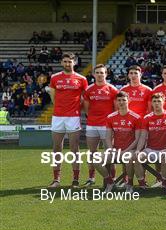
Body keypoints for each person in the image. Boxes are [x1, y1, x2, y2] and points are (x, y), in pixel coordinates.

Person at [48, 53, 89, 188]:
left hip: (73, 117)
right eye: (65, 61)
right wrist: (61, 108)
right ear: (61, 63)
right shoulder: (54, 78)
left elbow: (85, 98)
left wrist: (77, 109)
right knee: (56, 148)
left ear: (74, 62)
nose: (67, 64)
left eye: (70, 62)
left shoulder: (81, 79)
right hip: (58, 117)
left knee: (74, 149)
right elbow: (53, 98)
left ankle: (75, 179)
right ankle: (56, 179)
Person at [82, 64, 119, 187]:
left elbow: (116, 109)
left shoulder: (112, 89)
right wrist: (92, 118)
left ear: (106, 74)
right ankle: (91, 177)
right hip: (92, 124)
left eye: (102, 73)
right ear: (93, 74)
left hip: (106, 126)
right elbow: (86, 109)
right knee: (92, 152)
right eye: (97, 72)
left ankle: (112, 178)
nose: (99, 75)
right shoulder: (89, 89)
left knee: (110, 152)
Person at [136, 93, 166, 195]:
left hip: (165, 149)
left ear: (164, 102)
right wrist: (138, 150)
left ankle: (164, 182)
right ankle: (142, 184)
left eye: (159, 101)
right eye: (154, 101)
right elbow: (142, 137)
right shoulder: (147, 118)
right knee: (135, 157)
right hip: (150, 149)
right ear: (151, 103)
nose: (156, 103)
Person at [103, 91, 142, 194]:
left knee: (129, 158)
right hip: (116, 150)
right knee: (95, 159)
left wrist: (126, 150)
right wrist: (111, 150)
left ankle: (129, 184)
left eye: (123, 100)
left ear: (129, 101)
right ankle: (110, 182)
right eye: (119, 100)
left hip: (130, 150)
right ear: (116, 102)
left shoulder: (136, 117)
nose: (121, 102)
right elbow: (107, 137)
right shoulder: (110, 117)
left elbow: (137, 139)